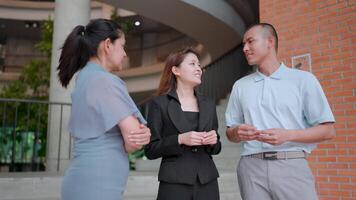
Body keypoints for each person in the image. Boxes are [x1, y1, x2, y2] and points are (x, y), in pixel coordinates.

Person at [225, 23, 336, 200]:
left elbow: (328, 130)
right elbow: (230, 132)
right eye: (244, 44)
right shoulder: (240, 86)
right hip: (250, 167)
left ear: (270, 42)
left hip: (292, 165)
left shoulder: (303, 80)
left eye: (250, 41)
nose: (245, 48)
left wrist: (288, 135)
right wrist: (237, 132)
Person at [58, 19, 151, 200]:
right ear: (108, 45)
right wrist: (140, 134)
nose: (125, 54)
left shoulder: (84, 77)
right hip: (99, 181)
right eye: (123, 46)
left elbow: (134, 137)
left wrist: (136, 136)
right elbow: (135, 138)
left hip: (88, 179)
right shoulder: (104, 81)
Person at [144, 47, 221, 200]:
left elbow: (217, 148)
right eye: (193, 64)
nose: (199, 68)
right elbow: (150, 150)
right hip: (174, 182)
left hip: (207, 180)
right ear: (176, 70)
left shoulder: (208, 103)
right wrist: (180, 139)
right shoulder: (159, 104)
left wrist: (214, 141)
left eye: (199, 65)